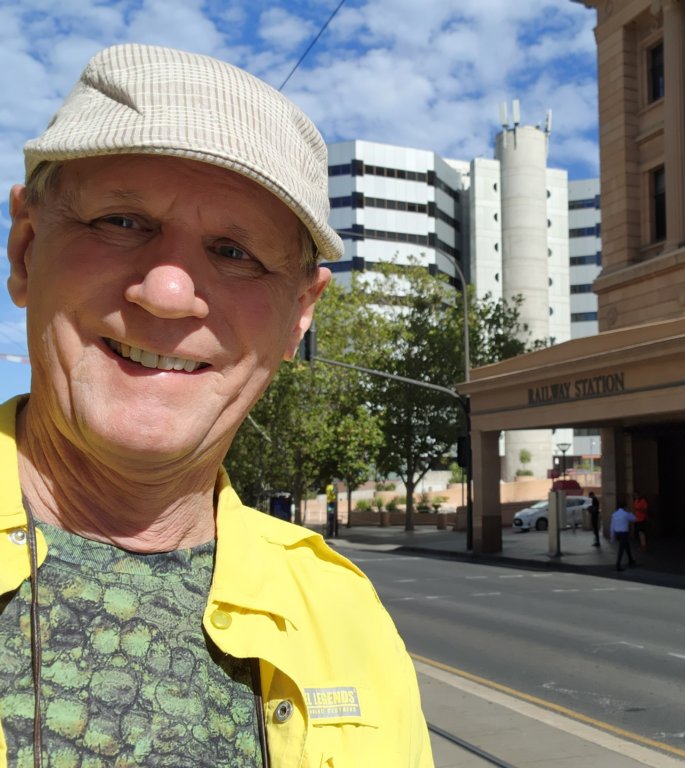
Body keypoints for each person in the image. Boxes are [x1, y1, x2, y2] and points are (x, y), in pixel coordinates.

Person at [0, 44, 432, 767]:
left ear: (299, 315)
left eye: (235, 252)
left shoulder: (345, 614)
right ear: (25, 248)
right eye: (122, 221)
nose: (168, 293)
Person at [610, 500, 637, 571]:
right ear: (625, 507)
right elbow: (634, 519)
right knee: (621, 549)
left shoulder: (614, 514)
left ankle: (631, 560)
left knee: (626, 546)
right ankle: (618, 565)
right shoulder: (626, 514)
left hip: (617, 533)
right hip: (624, 533)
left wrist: (612, 535)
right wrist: (630, 512)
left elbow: (612, 525)